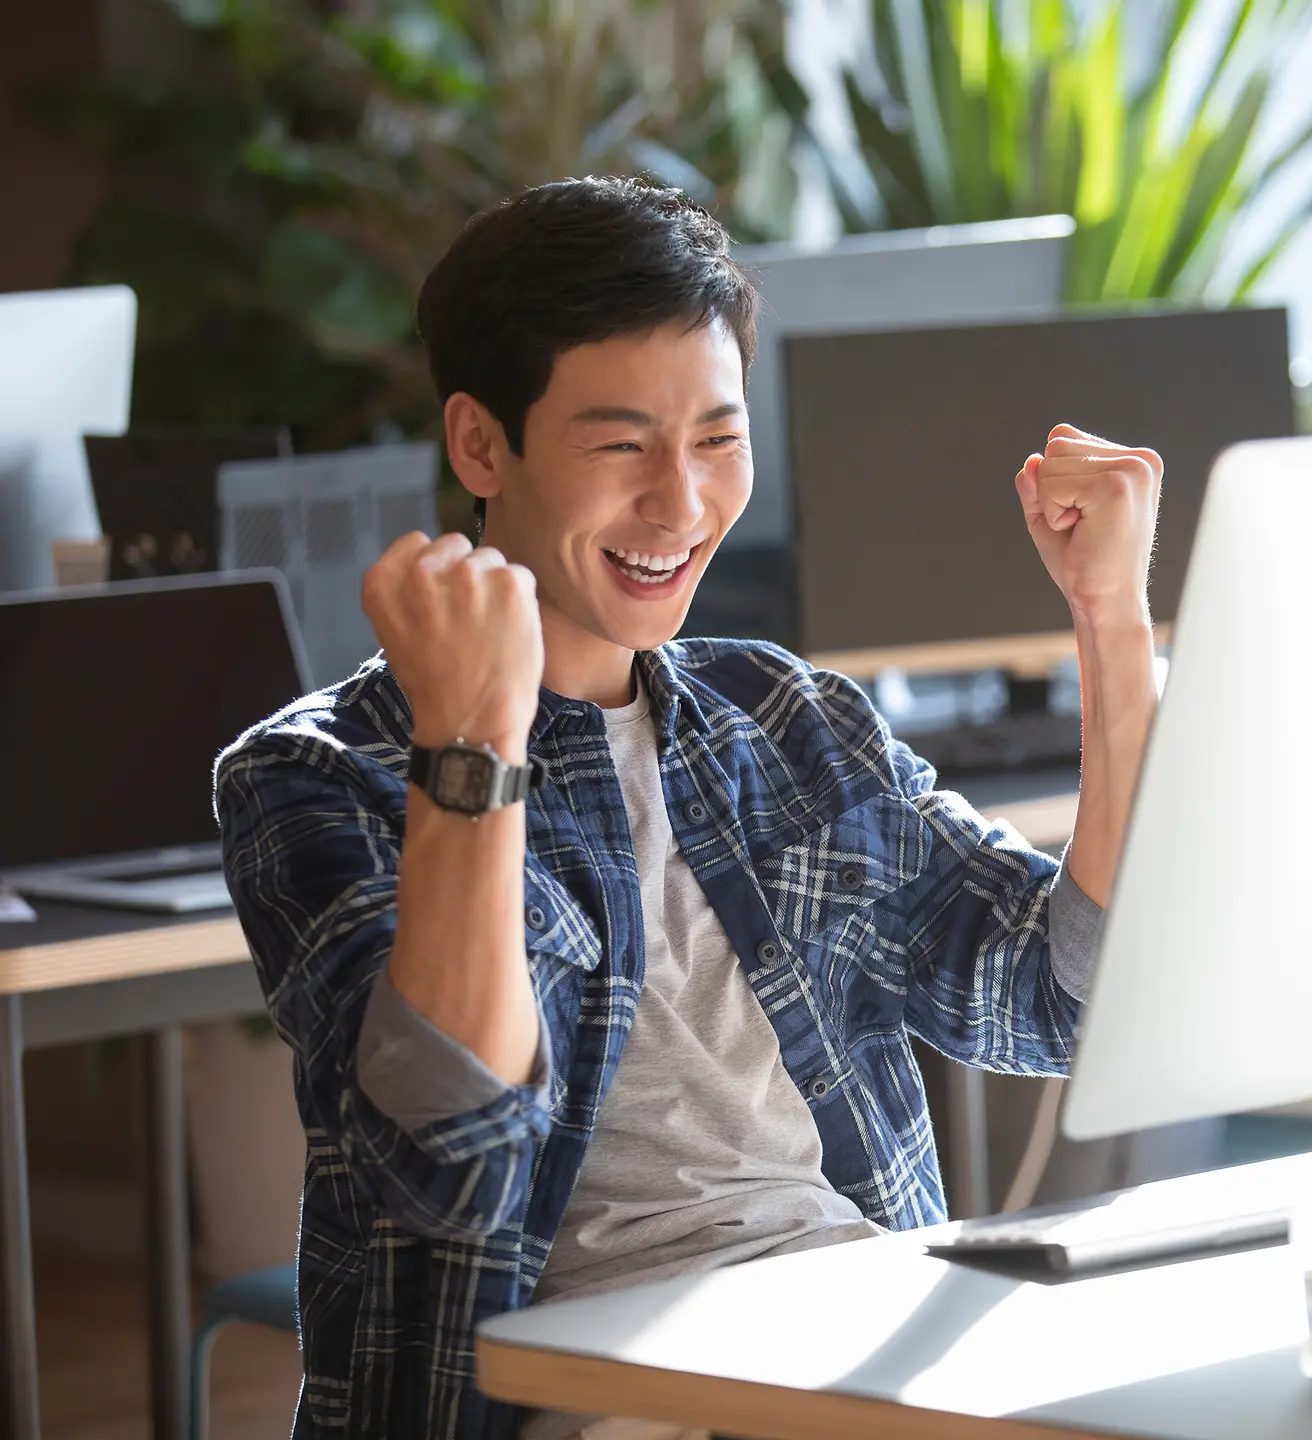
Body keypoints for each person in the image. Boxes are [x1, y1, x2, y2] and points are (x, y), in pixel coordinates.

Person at [214, 175, 1161, 1440]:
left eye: (717, 440)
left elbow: (1061, 999)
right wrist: (477, 741)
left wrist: (1111, 622)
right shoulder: (320, 773)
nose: (681, 504)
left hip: (852, 1325)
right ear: (481, 444)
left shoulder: (785, 718)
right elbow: (453, 1158)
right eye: (621, 445)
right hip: (590, 1389)